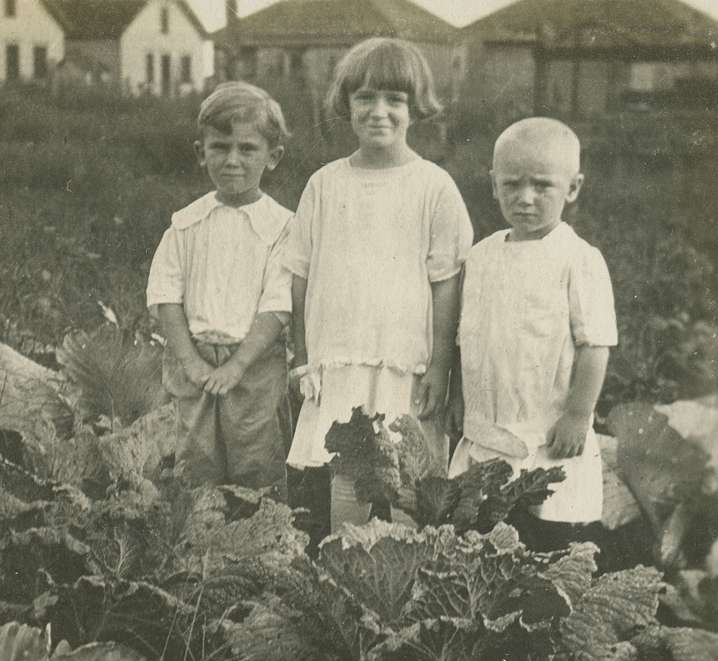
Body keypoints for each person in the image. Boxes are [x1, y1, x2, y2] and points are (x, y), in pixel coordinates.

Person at [284, 39, 473, 533]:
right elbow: (300, 277)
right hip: (341, 359)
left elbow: (446, 284)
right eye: (365, 98)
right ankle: (352, 584)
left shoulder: (434, 187)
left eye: (395, 100)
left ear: (416, 108)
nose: (379, 112)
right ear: (346, 104)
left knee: (407, 484)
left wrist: (439, 366)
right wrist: (304, 357)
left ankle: (405, 587)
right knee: (349, 484)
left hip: (404, 363)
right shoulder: (324, 185)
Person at [446, 117, 618, 549]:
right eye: (512, 185)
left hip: (547, 430)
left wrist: (579, 414)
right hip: (487, 424)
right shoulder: (481, 256)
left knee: (548, 533)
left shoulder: (578, 259)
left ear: (572, 188)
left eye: (542, 186)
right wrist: (457, 398)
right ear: (493, 185)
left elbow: (596, 343)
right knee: (481, 534)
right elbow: (467, 336)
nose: (525, 199)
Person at [146, 82, 293, 500]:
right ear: (200, 152)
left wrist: (238, 365)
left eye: (247, 149)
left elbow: (278, 306)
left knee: (257, 460)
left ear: (272, 157)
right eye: (220, 147)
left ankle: (262, 546)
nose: (232, 160)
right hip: (193, 361)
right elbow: (165, 297)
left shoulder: (283, 227)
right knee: (194, 464)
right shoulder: (186, 224)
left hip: (255, 365)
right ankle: (199, 547)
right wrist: (190, 362)